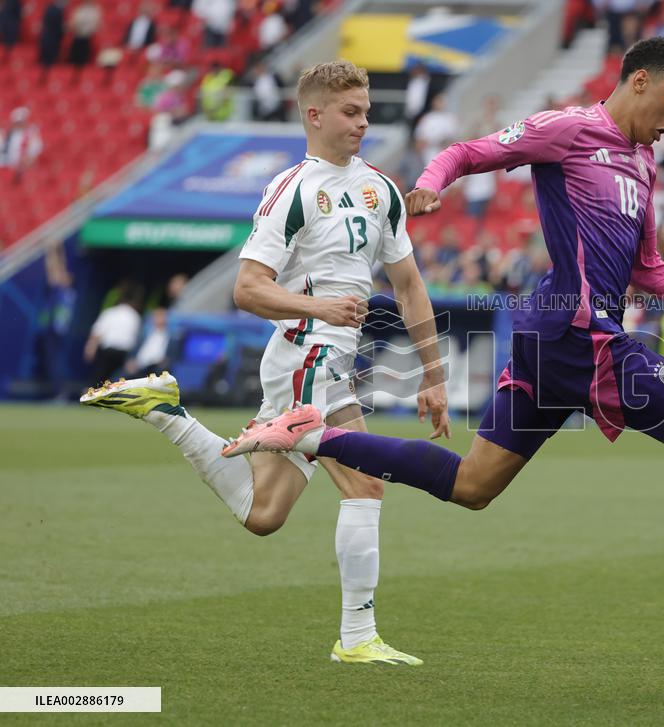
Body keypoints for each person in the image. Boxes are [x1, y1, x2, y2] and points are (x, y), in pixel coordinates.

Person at [223, 38, 664, 657]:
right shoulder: (570, 129)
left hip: (551, 342)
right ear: (638, 81)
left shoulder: (643, 164)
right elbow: (470, 151)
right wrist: (429, 184)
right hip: (583, 336)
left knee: (473, 485)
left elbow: (650, 269)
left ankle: (308, 435)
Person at [81, 61, 443, 667]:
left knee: (264, 514)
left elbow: (410, 285)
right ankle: (357, 639)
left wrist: (434, 375)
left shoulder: (380, 187)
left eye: (366, 111)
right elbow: (248, 290)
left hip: (329, 361)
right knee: (364, 482)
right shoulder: (291, 191)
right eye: (351, 112)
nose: (363, 122)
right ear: (314, 114)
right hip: (309, 354)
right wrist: (321, 305)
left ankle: (168, 412)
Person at [83, 282, 144, 386]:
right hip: (124, 355)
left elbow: (97, 333)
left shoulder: (110, 312)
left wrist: (90, 348)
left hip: (108, 352)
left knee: (98, 380)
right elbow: (137, 339)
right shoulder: (135, 316)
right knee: (119, 383)